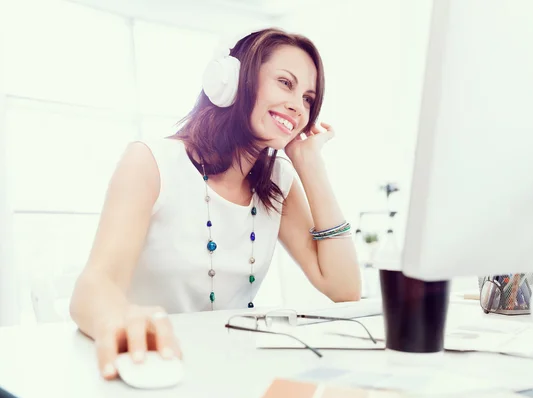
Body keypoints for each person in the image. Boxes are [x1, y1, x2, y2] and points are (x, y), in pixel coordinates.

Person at [69, 27, 361, 379]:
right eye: (286, 83)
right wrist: (117, 318)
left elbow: (344, 288)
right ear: (234, 81)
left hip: (230, 368)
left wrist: (310, 164)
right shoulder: (151, 162)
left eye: (308, 99)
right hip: (154, 364)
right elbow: (93, 287)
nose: (298, 106)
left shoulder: (278, 181)